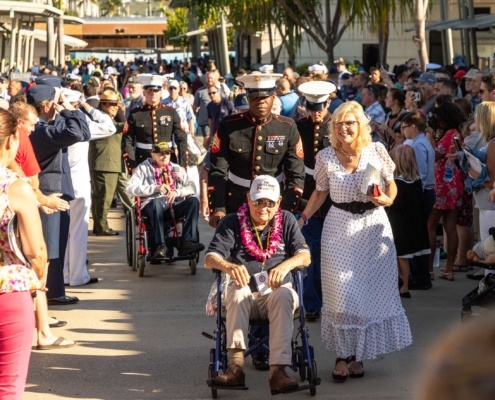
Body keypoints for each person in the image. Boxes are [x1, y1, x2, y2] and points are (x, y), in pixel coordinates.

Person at [299, 101, 412, 381]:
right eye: (339, 124)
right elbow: (319, 193)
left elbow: (391, 182)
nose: (344, 128)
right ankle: (342, 355)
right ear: (333, 128)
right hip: (338, 227)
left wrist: (389, 198)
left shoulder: (376, 151)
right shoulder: (325, 156)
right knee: (341, 292)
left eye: (350, 123)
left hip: (372, 227)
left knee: (366, 293)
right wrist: (301, 220)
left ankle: (357, 355)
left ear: (360, 125)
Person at [205, 175, 311, 393]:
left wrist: (285, 266)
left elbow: (305, 256)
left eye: (270, 203)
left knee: (283, 295)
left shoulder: (288, 220)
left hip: (276, 294)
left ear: (279, 202)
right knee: (236, 292)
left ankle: (278, 372)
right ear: (248, 198)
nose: (264, 207)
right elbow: (209, 258)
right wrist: (228, 266)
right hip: (244, 295)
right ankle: (235, 367)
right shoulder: (232, 222)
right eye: (258, 201)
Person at [0, 108, 48, 399]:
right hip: (9, 290)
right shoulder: (15, 187)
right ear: (9, 142)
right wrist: (39, 276)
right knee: (8, 388)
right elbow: (36, 250)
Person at [295, 80, 336, 321]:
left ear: (329, 102)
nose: (316, 112)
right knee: (309, 253)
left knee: (330, 256)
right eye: (312, 107)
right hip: (307, 197)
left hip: (334, 198)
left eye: (320, 107)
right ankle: (311, 303)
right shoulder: (298, 126)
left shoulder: (339, 127)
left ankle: (329, 301)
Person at [126, 141, 204, 258]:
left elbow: (192, 187)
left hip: (173, 205)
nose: (165, 156)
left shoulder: (176, 168)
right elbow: (130, 189)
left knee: (193, 202)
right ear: (153, 155)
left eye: (167, 153)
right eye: (161, 153)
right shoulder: (143, 168)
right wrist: (155, 188)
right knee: (156, 203)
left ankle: (188, 242)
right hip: (152, 207)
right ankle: (159, 245)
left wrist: (177, 192)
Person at [427, 102, 466, 281]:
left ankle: (429, 269)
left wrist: (429, 138)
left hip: (442, 184)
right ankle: (448, 269)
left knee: (431, 225)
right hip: (452, 184)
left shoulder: (451, 134)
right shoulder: (455, 134)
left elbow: (436, 154)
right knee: (450, 227)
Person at [386, 145, 431, 298]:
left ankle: (404, 286)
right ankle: (404, 284)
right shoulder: (417, 181)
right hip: (412, 223)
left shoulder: (397, 183)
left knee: (401, 256)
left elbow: (395, 205)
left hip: (399, 224)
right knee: (403, 256)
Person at [123, 74, 188, 169]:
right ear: (144, 93)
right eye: (149, 90)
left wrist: (182, 165)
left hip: (167, 161)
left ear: (161, 93)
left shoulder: (171, 112)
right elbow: (127, 141)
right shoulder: (135, 114)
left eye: (156, 90)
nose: (153, 93)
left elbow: (181, 139)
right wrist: (132, 167)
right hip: (143, 162)